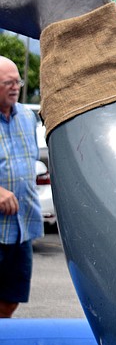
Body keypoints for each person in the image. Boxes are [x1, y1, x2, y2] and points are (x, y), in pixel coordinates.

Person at [0, 56, 43, 318]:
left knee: (10, 299)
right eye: (8, 83)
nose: (15, 87)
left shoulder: (27, 117)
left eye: (18, 82)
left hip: (21, 227)